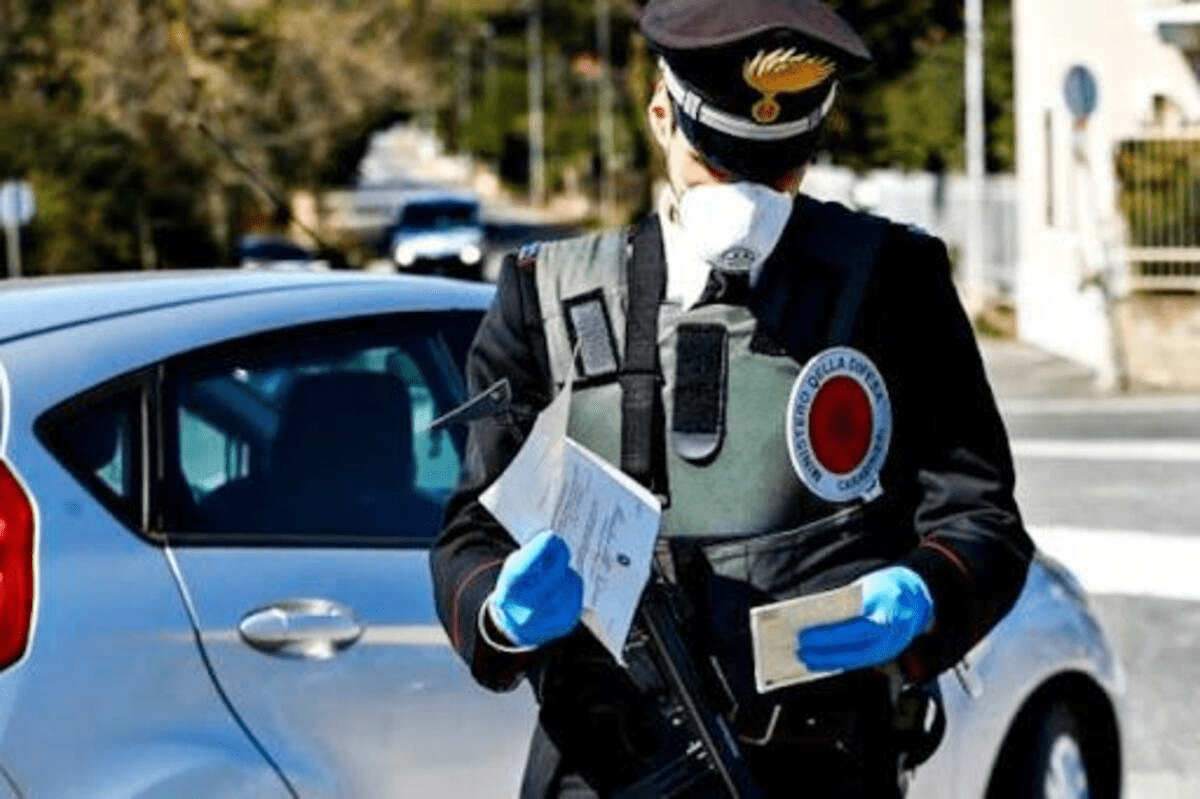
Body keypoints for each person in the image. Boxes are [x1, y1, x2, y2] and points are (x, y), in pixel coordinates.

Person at [430, 0, 1034, 796]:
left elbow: (981, 518)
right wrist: (499, 613)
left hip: (826, 767)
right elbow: (471, 528)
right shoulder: (544, 294)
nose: (748, 194)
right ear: (660, 117)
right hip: (608, 767)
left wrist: (922, 593)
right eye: (720, 160)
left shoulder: (893, 285)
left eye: (776, 168)